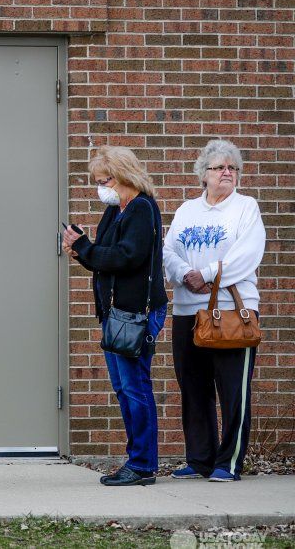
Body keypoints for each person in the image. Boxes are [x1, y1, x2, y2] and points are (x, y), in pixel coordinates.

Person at [62, 145, 167, 486]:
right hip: (115, 314)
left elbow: (126, 257)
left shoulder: (141, 209)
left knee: (135, 388)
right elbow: (102, 256)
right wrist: (81, 248)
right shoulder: (115, 209)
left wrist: (85, 248)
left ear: (124, 176)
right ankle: (136, 460)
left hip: (135, 313)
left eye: (104, 180)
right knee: (125, 388)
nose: (100, 187)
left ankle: (142, 465)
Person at [162, 139, 265, 482]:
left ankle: (228, 462)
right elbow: (168, 252)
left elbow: (247, 255)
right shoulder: (186, 211)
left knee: (234, 390)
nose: (227, 173)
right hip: (188, 311)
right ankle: (200, 459)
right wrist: (183, 275)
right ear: (202, 174)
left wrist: (204, 275)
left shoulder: (246, 207)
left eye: (232, 168)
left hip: (233, 313)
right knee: (193, 387)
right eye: (219, 167)